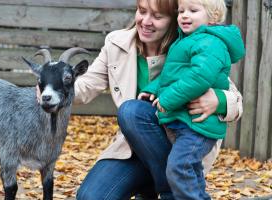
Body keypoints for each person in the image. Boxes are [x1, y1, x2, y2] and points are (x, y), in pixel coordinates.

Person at [35, 0, 242, 199]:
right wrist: (55, 91)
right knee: (92, 196)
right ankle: (151, 185)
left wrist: (219, 100)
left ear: (172, 19)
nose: (146, 21)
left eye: (157, 16)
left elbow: (233, 97)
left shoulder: (191, 44)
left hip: (178, 146)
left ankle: (170, 192)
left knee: (132, 111)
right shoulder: (118, 43)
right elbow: (88, 84)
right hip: (134, 149)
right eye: (142, 11)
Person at [130, 0, 245, 198]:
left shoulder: (211, 43)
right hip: (185, 123)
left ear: (213, 17)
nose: (184, 15)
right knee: (190, 172)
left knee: (179, 168)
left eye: (193, 11)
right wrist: (153, 90)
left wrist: (167, 99)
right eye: (181, 11)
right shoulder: (186, 40)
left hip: (197, 126)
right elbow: (172, 74)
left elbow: (198, 78)